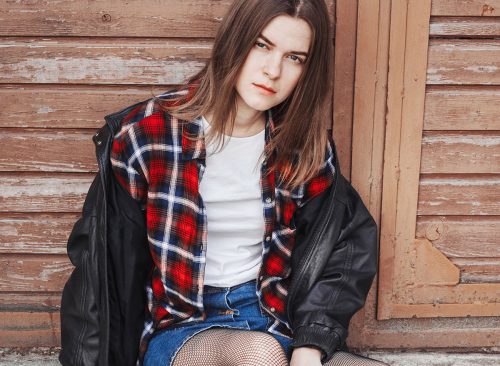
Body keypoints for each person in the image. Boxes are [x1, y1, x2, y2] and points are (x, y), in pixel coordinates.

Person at [59, 0, 382, 365]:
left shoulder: (303, 148)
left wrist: (310, 343)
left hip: (273, 318)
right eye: (262, 45)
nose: (272, 70)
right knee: (259, 354)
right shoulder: (147, 135)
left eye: (295, 57)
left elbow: (347, 248)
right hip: (181, 327)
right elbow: (99, 267)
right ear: (235, 39)